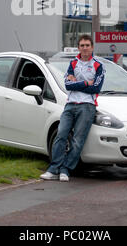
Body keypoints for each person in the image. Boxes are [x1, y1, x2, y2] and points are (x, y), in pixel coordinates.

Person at [40, 34, 105, 182]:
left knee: (77, 141)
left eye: (87, 45)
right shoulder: (73, 63)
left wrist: (80, 84)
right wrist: (86, 83)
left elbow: (96, 87)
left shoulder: (98, 65)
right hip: (70, 105)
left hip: (87, 107)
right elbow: (68, 85)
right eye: (82, 45)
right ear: (78, 47)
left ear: (92, 47)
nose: (84, 48)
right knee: (60, 135)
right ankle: (53, 169)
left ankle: (66, 170)